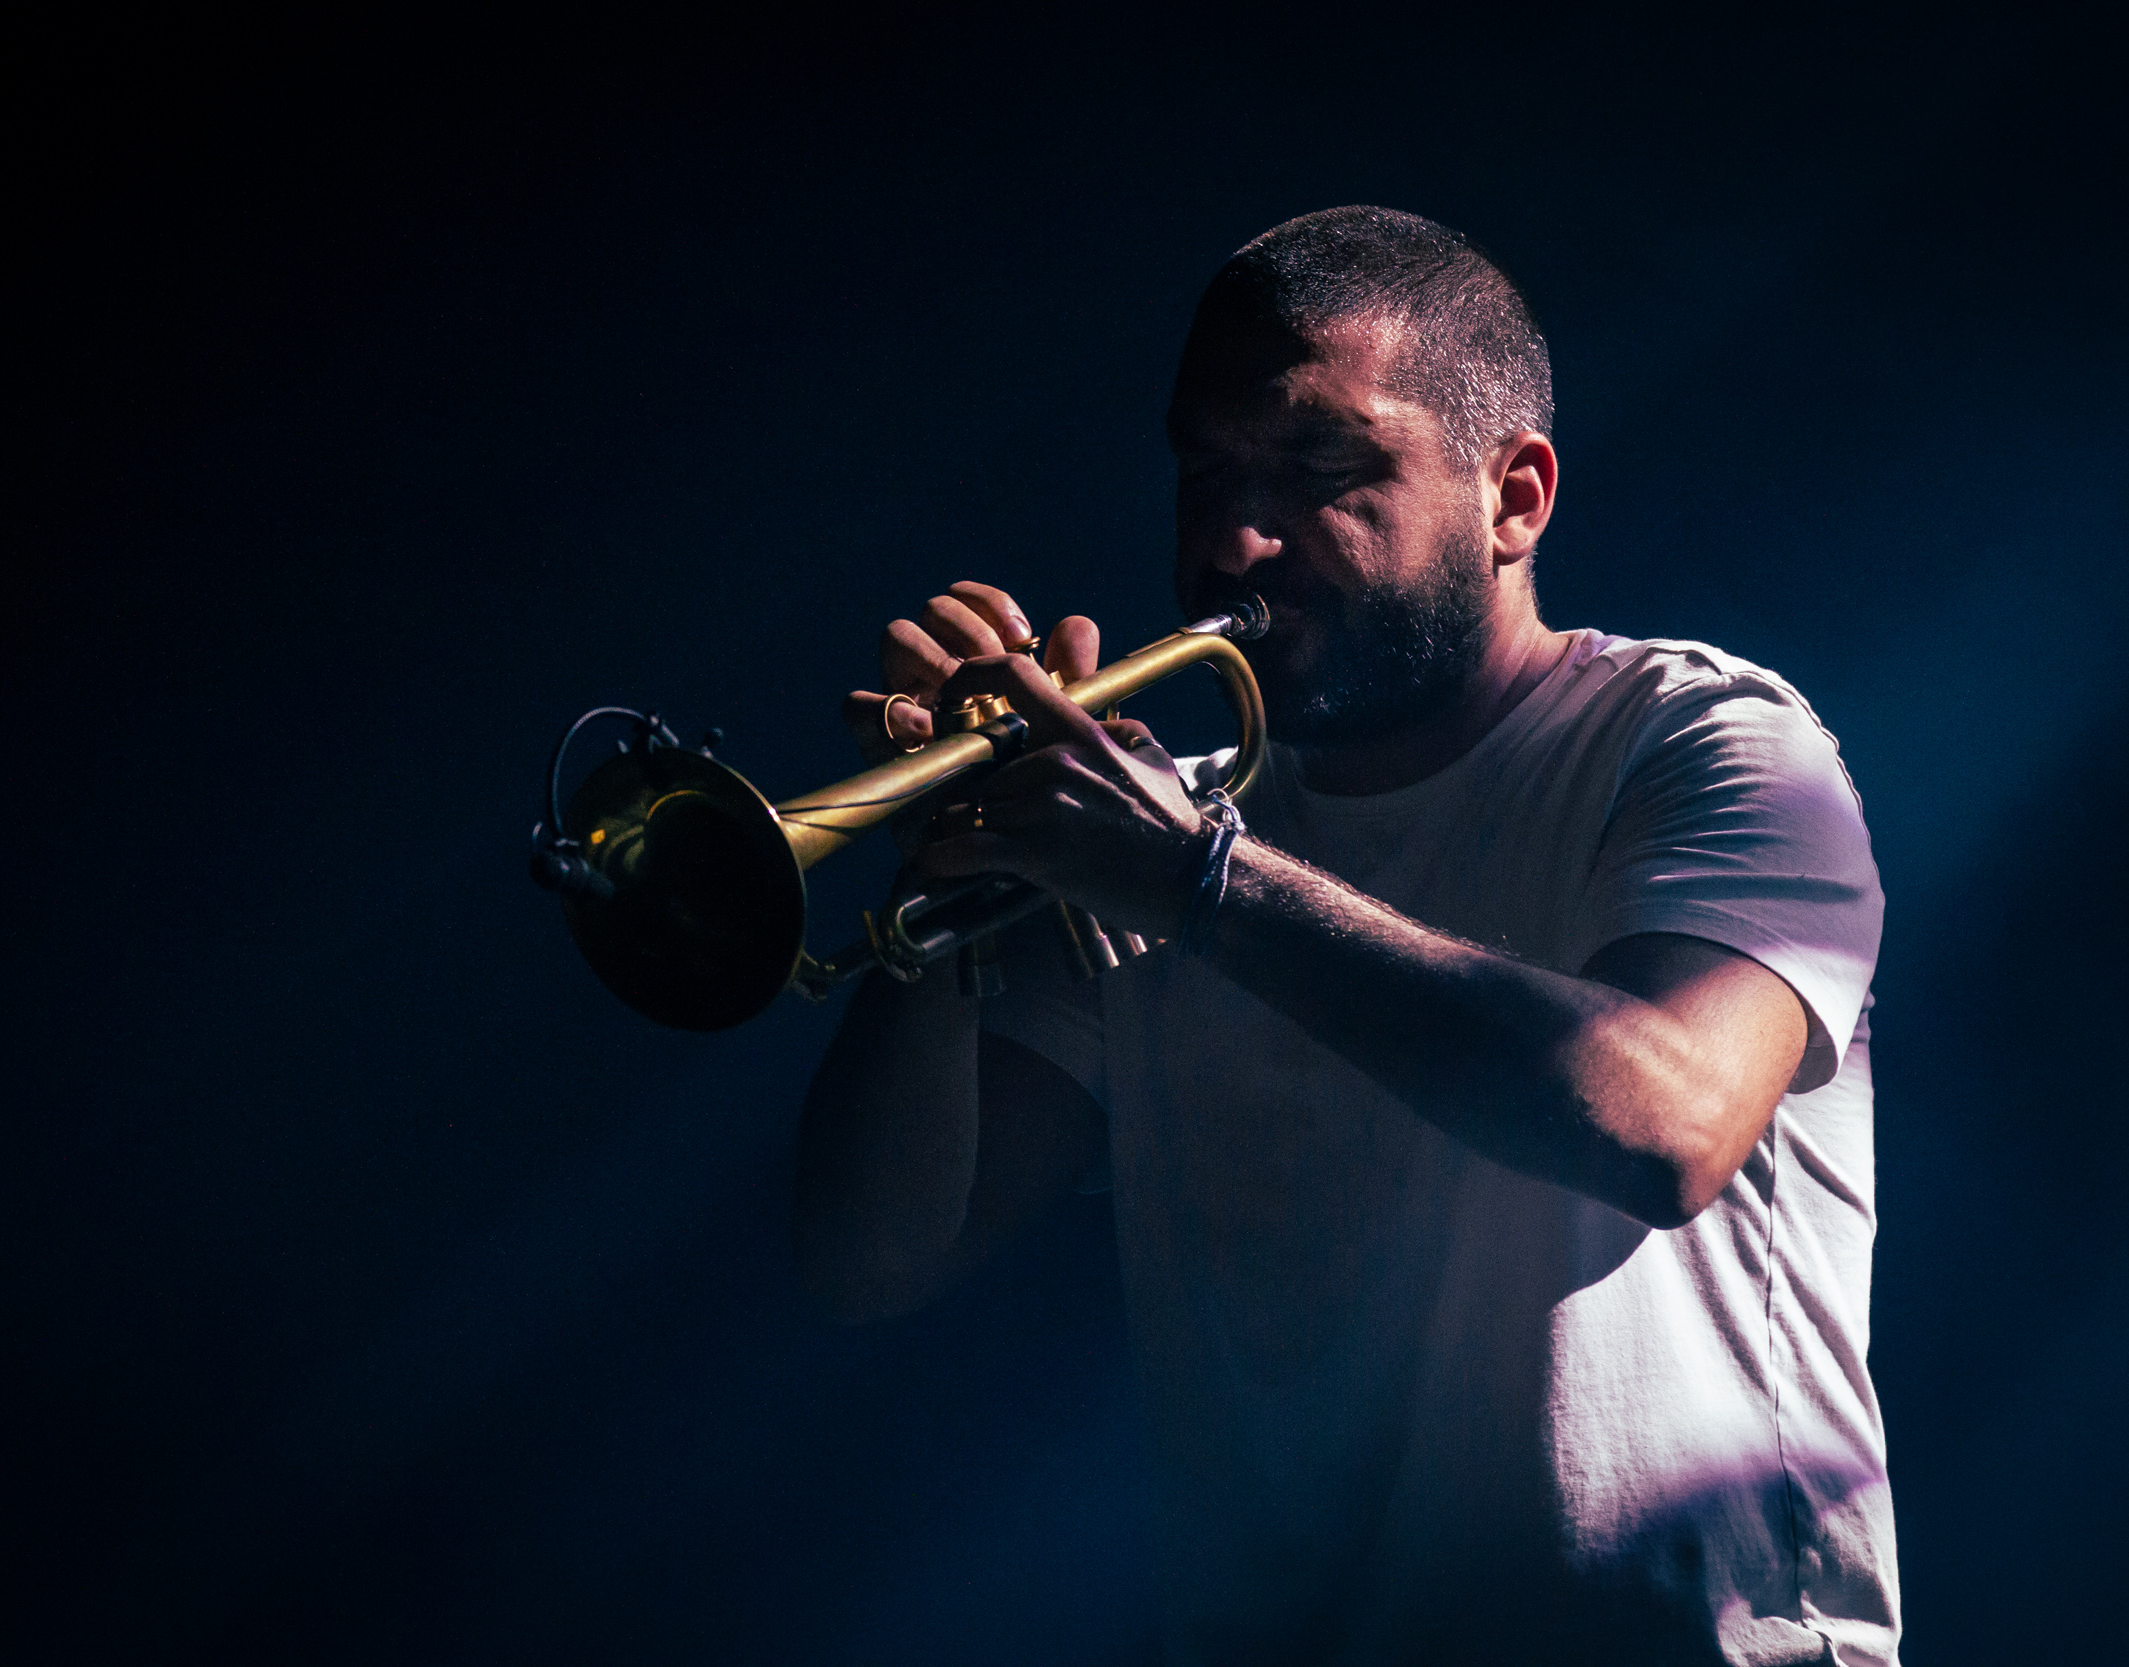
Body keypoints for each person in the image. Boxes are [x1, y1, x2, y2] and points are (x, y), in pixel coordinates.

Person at [793, 207, 1896, 1666]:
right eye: (1206, 473)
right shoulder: (1142, 840)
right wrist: (950, 873)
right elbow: (873, 1258)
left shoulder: (1703, 741)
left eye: (1321, 471)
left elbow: (1665, 1123)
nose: (1234, 541)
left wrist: (1197, 881)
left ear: (1514, 499)